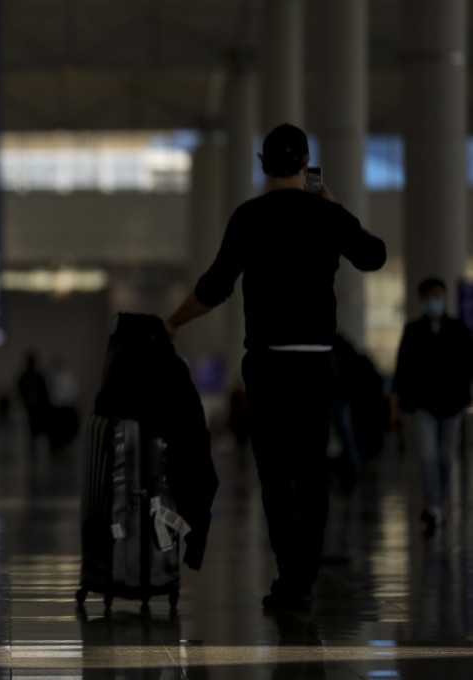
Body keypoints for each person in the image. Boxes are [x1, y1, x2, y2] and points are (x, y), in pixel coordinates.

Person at [165, 123, 386, 612]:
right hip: (316, 363)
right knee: (312, 470)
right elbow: (375, 256)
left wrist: (174, 321)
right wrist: (333, 209)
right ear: (306, 163)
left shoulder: (250, 217)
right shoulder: (326, 217)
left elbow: (216, 285)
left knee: (274, 472)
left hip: (267, 364)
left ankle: (291, 576)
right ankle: (303, 575)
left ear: (263, 165)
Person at [390, 277, 473, 530]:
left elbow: (469, 365)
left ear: (444, 297)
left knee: (446, 457)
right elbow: (401, 371)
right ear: (422, 300)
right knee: (427, 456)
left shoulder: (458, 329)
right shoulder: (413, 331)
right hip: (422, 404)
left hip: (452, 405)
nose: (433, 301)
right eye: (428, 297)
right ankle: (434, 506)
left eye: (437, 295)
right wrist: (395, 407)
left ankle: (440, 502)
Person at [16, 351, 51, 455]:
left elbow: (45, 391)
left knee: (37, 426)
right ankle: (33, 444)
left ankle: (35, 443)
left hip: (38, 406)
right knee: (31, 426)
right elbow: (20, 390)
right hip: (30, 406)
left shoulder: (38, 376)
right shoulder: (25, 376)